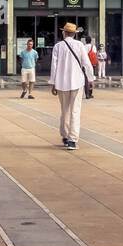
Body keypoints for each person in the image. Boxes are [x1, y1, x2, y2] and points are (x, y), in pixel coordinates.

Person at [48, 22, 95, 150]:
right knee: (75, 110)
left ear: (64, 32)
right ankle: (72, 140)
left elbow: (54, 66)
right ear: (74, 34)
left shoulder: (58, 46)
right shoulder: (80, 45)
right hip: (77, 82)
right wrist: (91, 78)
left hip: (61, 83)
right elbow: (87, 63)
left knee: (64, 110)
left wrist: (53, 83)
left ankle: (64, 135)